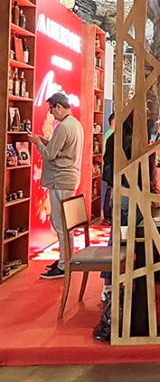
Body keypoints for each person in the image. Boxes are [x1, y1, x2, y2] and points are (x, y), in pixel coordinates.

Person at [31, 93, 85, 280]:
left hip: (60, 179)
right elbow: (60, 149)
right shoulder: (75, 124)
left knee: (60, 223)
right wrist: (45, 141)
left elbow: (50, 154)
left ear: (58, 107)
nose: (51, 114)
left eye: (51, 110)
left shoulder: (63, 127)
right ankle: (65, 258)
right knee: (65, 223)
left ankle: (64, 264)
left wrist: (38, 143)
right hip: (69, 178)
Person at [101, 112, 116, 224]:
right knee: (110, 192)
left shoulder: (108, 133)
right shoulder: (111, 134)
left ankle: (108, 216)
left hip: (109, 166)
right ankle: (107, 216)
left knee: (109, 191)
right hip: (110, 167)